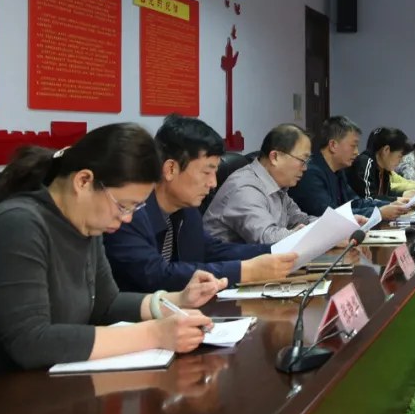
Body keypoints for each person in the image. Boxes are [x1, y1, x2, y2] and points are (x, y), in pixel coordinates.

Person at [0, 124, 219, 377]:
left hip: (61, 383)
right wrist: (155, 334)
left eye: (135, 208)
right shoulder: (19, 224)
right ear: (83, 181)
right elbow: (30, 341)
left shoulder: (88, 225)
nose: (128, 218)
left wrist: (176, 301)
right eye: (123, 205)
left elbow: (106, 304)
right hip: (11, 390)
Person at [104, 115, 298, 291]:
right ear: (170, 169)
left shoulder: (187, 210)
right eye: (206, 172)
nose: (213, 183)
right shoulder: (129, 211)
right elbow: (157, 275)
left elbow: (212, 251)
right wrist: (244, 271)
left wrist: (279, 249)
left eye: (215, 172)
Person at [203, 123, 317, 244]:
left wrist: (327, 226)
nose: (305, 168)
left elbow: (301, 220)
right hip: (225, 256)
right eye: (302, 160)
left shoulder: (277, 187)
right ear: (275, 157)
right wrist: (306, 235)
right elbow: (267, 239)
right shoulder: (245, 188)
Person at [289, 116, 407, 221]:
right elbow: (331, 215)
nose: (357, 152)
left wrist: (389, 204)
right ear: (333, 145)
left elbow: (354, 202)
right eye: (353, 146)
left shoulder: (339, 171)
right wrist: (378, 213)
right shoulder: (310, 173)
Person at [347, 127, 415, 207]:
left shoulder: (384, 169)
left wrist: (404, 195)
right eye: (399, 156)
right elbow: (368, 200)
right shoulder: (365, 163)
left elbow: (385, 194)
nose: (401, 161)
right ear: (386, 150)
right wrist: (396, 199)